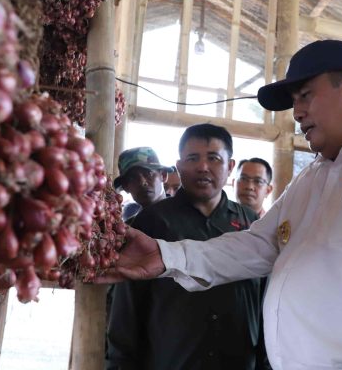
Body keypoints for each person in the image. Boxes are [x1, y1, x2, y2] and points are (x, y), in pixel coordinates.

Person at [101, 40, 342, 369]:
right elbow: (259, 245)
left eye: (305, 95)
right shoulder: (314, 177)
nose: (298, 112)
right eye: (294, 102)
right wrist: (167, 257)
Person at [106, 124, 268, 370]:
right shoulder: (150, 223)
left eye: (214, 158)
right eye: (193, 158)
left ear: (230, 166)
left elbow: (268, 304)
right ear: (179, 166)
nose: (203, 166)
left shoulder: (252, 225)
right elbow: (125, 312)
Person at [113, 147, 175, 222]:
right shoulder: (129, 230)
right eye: (133, 178)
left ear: (163, 175)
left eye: (149, 173)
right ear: (126, 187)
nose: (142, 182)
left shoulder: (186, 215)